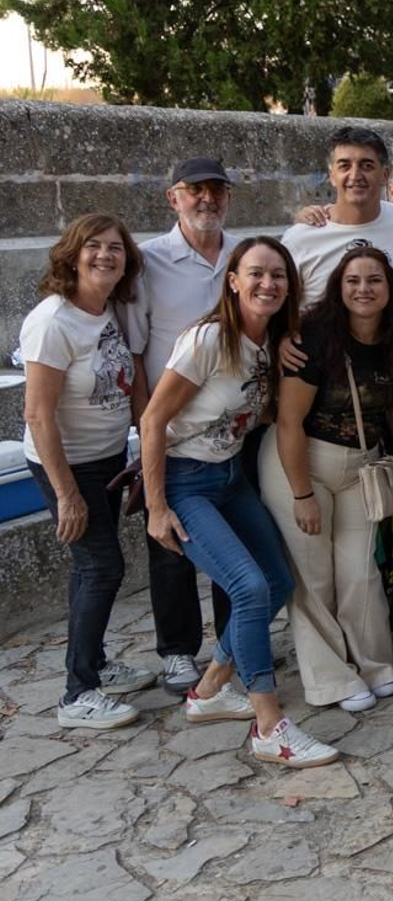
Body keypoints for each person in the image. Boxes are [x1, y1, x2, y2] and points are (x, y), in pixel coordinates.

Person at [141, 237, 340, 767]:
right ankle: (269, 726)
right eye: (255, 273)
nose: (267, 284)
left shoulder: (269, 342)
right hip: (186, 481)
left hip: (230, 476)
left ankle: (208, 692)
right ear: (232, 280)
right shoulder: (208, 340)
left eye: (278, 275)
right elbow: (152, 421)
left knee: (276, 580)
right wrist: (156, 507)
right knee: (249, 588)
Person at [260, 248, 393, 712]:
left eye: (374, 280)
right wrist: (302, 494)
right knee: (312, 578)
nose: (363, 289)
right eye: (353, 281)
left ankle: (374, 664)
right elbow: (289, 422)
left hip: (361, 466)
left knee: (360, 572)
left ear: (389, 289)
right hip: (301, 462)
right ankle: (329, 679)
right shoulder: (313, 338)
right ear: (338, 288)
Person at [25, 214, 150, 728]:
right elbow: (37, 413)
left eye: (115, 248)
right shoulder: (53, 321)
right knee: (101, 567)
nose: (105, 256)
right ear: (71, 255)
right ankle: (78, 694)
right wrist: (67, 494)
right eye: (93, 247)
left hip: (106, 458)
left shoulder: (106, 311)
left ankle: (95, 663)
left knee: (91, 568)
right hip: (67, 466)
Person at [127, 157, 239, 694]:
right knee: (170, 541)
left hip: (233, 428)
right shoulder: (148, 263)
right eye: (195, 191)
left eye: (216, 191)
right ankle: (176, 651)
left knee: (228, 545)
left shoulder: (243, 255)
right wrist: (148, 431)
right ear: (173, 198)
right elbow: (134, 354)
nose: (206, 200)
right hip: (171, 430)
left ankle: (229, 644)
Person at [282, 127, 393, 304]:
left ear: (385, 175)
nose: (355, 175)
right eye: (344, 166)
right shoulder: (300, 238)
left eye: (367, 166)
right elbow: (283, 310)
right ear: (332, 176)